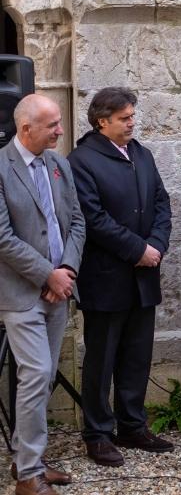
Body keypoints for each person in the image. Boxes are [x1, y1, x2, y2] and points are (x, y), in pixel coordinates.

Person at [67, 87, 173, 466]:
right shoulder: (81, 160)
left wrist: (156, 244)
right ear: (102, 121)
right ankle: (97, 433)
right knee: (102, 358)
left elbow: (162, 202)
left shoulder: (141, 154)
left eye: (132, 116)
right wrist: (137, 250)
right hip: (106, 278)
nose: (132, 123)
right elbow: (92, 219)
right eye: (125, 118)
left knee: (136, 356)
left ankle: (132, 424)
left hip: (144, 276)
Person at [0, 94, 85, 495]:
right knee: (34, 374)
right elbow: (2, 239)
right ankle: (29, 475)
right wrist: (47, 275)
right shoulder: (0, 168)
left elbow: (77, 222)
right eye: (52, 125)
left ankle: (26, 459)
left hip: (58, 290)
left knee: (45, 375)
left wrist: (65, 271)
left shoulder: (59, 165)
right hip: (20, 294)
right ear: (25, 128)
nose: (61, 131)